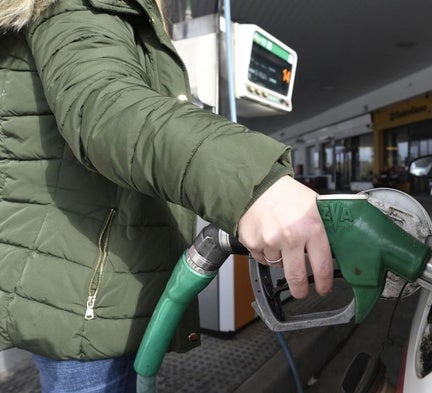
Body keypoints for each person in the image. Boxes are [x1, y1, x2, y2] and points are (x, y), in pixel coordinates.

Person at [0, 0, 333, 391]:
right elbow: (106, 109)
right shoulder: (83, 5)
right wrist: (253, 185)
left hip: (90, 282)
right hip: (85, 295)